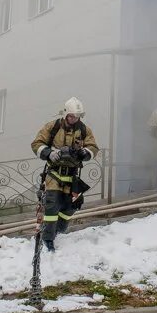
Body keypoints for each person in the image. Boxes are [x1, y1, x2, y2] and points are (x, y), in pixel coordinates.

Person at [31, 97, 99, 251]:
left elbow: (93, 147)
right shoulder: (53, 126)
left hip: (72, 176)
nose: (75, 119)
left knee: (71, 206)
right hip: (54, 174)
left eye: (77, 116)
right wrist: (48, 153)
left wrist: (85, 153)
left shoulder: (84, 130)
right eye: (72, 116)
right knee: (52, 206)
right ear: (66, 114)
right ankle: (48, 239)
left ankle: (59, 232)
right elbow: (37, 143)